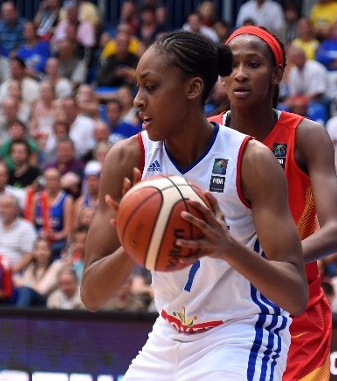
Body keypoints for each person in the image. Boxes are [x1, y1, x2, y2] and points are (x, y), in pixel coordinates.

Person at [81, 31, 308, 380]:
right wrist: (135, 241)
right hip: (169, 333)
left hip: (242, 333)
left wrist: (226, 246)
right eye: (138, 88)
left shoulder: (251, 160)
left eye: (151, 87)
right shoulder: (128, 158)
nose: (138, 100)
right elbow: (91, 295)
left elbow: (295, 294)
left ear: (192, 89)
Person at [214, 25, 337, 381]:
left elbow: (336, 231)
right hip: (222, 308)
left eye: (253, 64)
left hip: (294, 311)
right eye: (232, 65)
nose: (240, 74)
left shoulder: (307, 135)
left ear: (277, 74)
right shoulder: (202, 134)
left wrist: (269, 265)